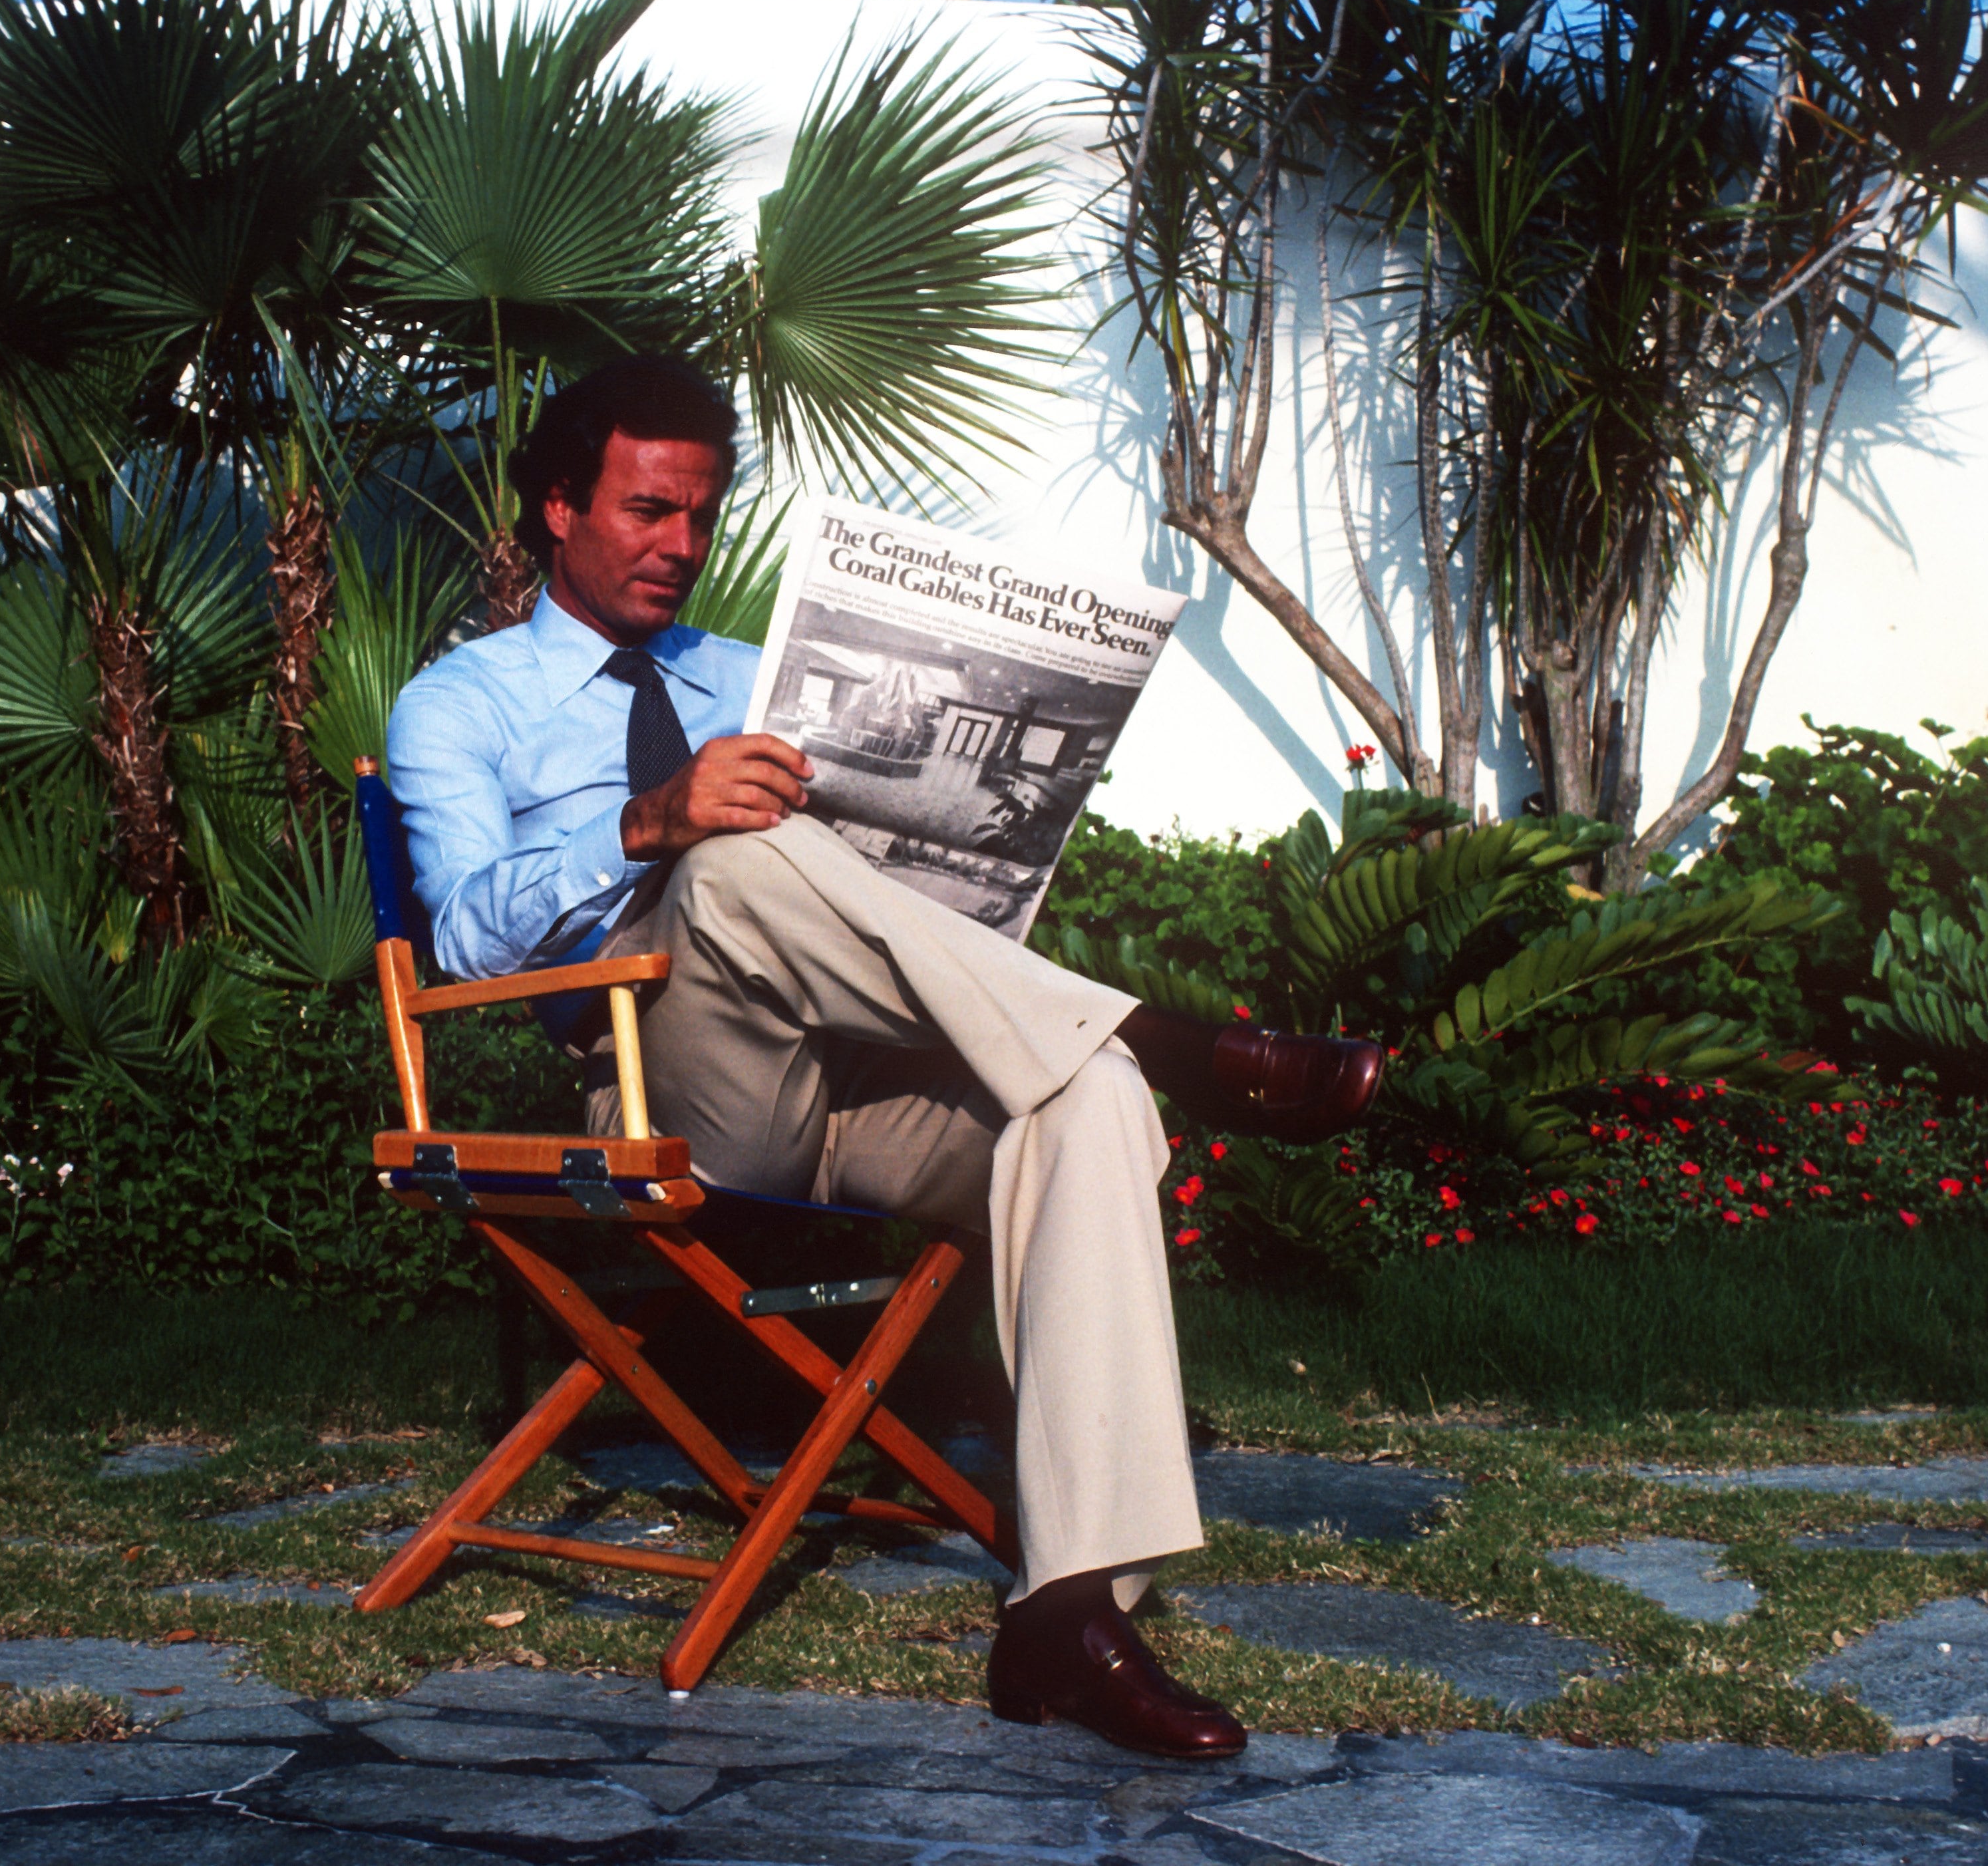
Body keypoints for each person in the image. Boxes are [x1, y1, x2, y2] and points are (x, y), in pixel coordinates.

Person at [385, 354, 1383, 1759]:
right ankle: (1172, 1038)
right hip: (670, 1092)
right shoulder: (463, 704)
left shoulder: (754, 676)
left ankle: (1072, 1610)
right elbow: (469, 949)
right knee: (735, 868)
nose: (680, 546)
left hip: (855, 1080)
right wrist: (646, 823)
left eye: (701, 517)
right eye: (645, 511)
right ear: (557, 508)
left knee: (1080, 1094)